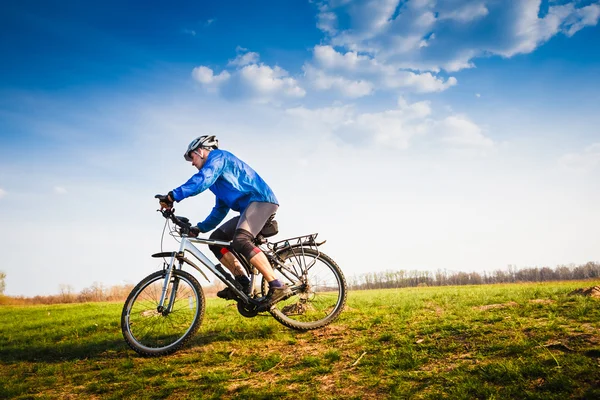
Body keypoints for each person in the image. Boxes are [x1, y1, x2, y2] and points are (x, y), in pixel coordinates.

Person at [156, 135, 291, 305]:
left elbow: (202, 179)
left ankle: (277, 284)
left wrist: (172, 196)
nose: (192, 162)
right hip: (249, 209)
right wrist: (199, 228)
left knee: (241, 240)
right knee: (216, 241)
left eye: (192, 157)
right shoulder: (217, 181)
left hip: (261, 201)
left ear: (201, 151)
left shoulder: (218, 157)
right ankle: (241, 282)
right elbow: (220, 209)